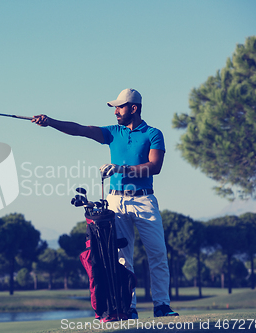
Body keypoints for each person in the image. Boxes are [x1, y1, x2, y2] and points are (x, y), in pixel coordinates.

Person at [32, 88, 178, 319]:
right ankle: (127, 308)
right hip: (116, 201)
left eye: (120, 107)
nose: (116, 112)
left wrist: (122, 169)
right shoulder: (113, 133)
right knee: (121, 258)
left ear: (134, 108)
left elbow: (155, 166)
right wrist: (50, 122)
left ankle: (161, 305)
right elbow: (81, 130)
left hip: (144, 200)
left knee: (157, 254)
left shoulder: (153, 133)